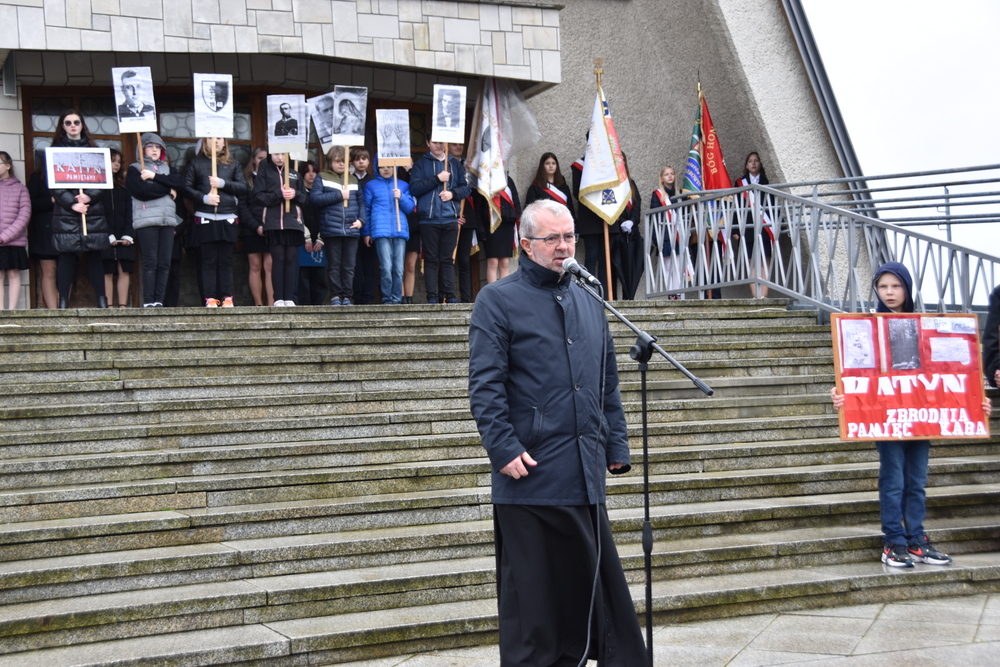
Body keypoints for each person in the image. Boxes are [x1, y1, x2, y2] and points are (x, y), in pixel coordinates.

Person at [468, 199, 646, 666]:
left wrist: (617, 444)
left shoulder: (590, 294)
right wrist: (503, 447)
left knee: (596, 604)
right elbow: (485, 386)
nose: (564, 247)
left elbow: (607, 379)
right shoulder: (497, 300)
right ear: (525, 244)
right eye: (552, 239)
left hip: (584, 476)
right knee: (537, 613)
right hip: (530, 478)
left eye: (569, 237)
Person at [831, 262, 991, 568]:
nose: (889, 292)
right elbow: (854, 371)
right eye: (883, 287)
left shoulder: (927, 324)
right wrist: (841, 394)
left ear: (907, 288)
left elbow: (952, 373)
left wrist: (975, 405)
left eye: (896, 286)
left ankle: (917, 540)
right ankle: (894, 541)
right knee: (893, 480)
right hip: (885, 417)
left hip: (921, 416)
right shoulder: (864, 326)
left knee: (916, 480)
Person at [50, 110, 112, 309]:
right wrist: (72, 203)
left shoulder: (95, 150)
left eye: (76, 122)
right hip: (67, 213)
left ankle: (102, 301)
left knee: (95, 256)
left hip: (91, 212)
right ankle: (63, 302)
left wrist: (90, 196)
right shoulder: (55, 151)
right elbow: (54, 184)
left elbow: (102, 181)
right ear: (63, 126)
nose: (72, 125)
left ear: (82, 125)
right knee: (66, 257)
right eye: (68, 122)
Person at [184, 137, 248, 308]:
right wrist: (204, 198)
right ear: (205, 142)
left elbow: (243, 187)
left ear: (225, 142)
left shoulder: (233, 164)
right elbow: (187, 188)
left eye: (219, 138)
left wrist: (223, 183)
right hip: (205, 217)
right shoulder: (196, 164)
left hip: (227, 217)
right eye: (212, 138)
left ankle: (227, 297)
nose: (216, 142)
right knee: (208, 260)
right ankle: (210, 298)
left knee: (226, 261)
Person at [409, 139, 470, 303]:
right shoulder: (421, 164)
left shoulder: (454, 164)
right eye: (435, 142)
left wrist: (452, 194)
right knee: (431, 260)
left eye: (441, 142)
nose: (438, 145)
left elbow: (466, 188)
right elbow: (414, 188)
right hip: (428, 219)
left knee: (447, 259)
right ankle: (432, 297)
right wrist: (437, 179)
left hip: (450, 218)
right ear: (428, 143)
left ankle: (449, 295)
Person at [126, 132, 183, 308]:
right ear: (142, 149)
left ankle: (159, 299)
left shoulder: (169, 169)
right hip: (147, 220)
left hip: (167, 221)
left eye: (158, 147)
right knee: (151, 262)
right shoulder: (135, 168)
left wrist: (154, 177)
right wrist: (167, 189)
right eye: (150, 146)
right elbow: (141, 191)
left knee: (164, 262)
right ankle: (148, 301)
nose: (155, 150)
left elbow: (179, 183)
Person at [310, 146, 364, 306]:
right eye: (337, 161)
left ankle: (347, 296)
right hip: (331, 228)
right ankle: (335, 296)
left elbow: (361, 202)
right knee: (334, 266)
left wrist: (361, 220)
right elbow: (315, 199)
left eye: (344, 162)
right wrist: (339, 195)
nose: (341, 165)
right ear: (330, 162)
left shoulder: (353, 179)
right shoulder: (322, 177)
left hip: (352, 228)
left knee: (349, 266)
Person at [254, 153, 309, 307]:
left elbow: (305, 199)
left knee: (291, 260)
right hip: (274, 223)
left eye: (282, 154)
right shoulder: (264, 173)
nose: (279, 157)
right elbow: (258, 197)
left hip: (293, 222)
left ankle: (290, 297)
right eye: (276, 154)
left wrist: (295, 194)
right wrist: (279, 195)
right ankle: (278, 298)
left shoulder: (295, 174)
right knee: (278, 260)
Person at [363, 158, 415, 304]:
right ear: (376, 168)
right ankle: (387, 298)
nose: (386, 169)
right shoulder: (370, 186)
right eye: (382, 167)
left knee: (398, 268)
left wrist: (401, 197)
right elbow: (366, 210)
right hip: (380, 231)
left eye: (389, 166)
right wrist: (366, 232)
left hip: (400, 230)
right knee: (386, 267)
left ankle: (397, 299)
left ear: (394, 168)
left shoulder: (403, 186)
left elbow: (410, 207)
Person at [731, 151, 774, 298]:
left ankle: (764, 296)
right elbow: (735, 208)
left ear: (761, 164)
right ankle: (756, 296)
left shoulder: (767, 182)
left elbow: (772, 205)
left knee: (764, 260)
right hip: (747, 227)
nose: (753, 163)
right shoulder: (739, 184)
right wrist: (735, 229)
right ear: (746, 165)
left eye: (756, 160)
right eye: (750, 161)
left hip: (765, 228)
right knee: (751, 262)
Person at [101, 148, 135, 307]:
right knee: (107, 270)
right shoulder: (99, 186)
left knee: (124, 269)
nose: (116, 164)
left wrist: (129, 233)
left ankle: (122, 306)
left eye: (119, 162)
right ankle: (109, 306)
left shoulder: (124, 186)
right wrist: (107, 234)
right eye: (113, 160)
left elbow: (130, 211)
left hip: (123, 234)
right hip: (106, 235)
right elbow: (98, 212)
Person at [241, 146, 274, 306]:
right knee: (255, 265)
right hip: (251, 229)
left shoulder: (273, 179)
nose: (262, 161)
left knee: (270, 266)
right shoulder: (246, 180)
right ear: (254, 159)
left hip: (270, 228)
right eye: (259, 158)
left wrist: (267, 225)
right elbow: (242, 207)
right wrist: (256, 226)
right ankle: (258, 303)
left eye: (265, 158)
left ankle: (271, 303)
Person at [475, 172, 520, 284]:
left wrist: (519, 224)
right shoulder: (484, 180)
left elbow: (516, 202)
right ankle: (492, 295)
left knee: (504, 262)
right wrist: (480, 230)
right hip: (491, 226)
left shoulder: (507, 179)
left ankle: (504, 294)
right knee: (493, 261)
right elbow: (478, 207)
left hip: (507, 224)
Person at [27, 152, 58, 308]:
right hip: (44, 231)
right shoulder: (36, 178)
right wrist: (51, 200)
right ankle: (54, 312)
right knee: (49, 271)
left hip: (66, 228)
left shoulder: (66, 176)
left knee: (67, 271)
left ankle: (63, 308)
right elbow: (30, 204)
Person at [0, 150, 31, 310]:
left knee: (13, 273)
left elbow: (24, 216)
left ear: (7, 166)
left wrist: (4, 236)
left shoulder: (20, 188)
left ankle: (12, 312)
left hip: (14, 241)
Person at [297, 161, 328, 306]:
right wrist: (306, 237)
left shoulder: (322, 193)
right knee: (303, 275)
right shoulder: (299, 194)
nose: (311, 174)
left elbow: (327, 216)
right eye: (308, 171)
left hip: (320, 239)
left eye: (314, 171)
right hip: (303, 238)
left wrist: (321, 238)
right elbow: (298, 216)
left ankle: (318, 305)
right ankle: (305, 306)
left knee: (319, 276)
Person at [650, 165, 683, 299]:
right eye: (666, 174)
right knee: (668, 267)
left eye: (672, 173)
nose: (670, 176)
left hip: (679, 233)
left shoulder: (680, 193)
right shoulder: (657, 195)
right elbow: (655, 218)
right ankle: (671, 294)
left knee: (679, 266)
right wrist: (656, 238)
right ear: (662, 178)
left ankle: (679, 294)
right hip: (665, 235)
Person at [350, 147, 378, 304]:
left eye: (364, 158)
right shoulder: (349, 179)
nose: (361, 161)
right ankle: (356, 296)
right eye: (357, 158)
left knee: (370, 265)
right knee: (355, 266)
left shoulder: (373, 181)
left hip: (370, 230)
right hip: (351, 227)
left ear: (368, 161)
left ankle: (368, 296)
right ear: (352, 162)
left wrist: (370, 230)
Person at [524, 152, 575, 221]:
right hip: (544, 224)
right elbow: (529, 212)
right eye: (547, 163)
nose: (551, 166)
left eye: (553, 163)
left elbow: (570, 210)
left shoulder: (564, 187)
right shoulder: (535, 188)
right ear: (542, 166)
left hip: (562, 224)